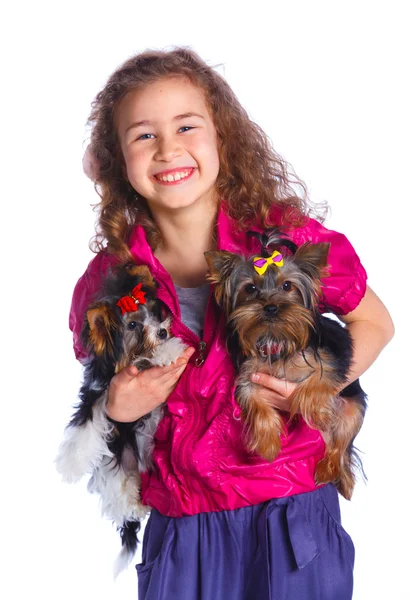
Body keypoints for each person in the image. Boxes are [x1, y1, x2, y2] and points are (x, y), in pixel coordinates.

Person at [70, 47, 394, 600]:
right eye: (143, 135)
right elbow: (97, 395)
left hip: (291, 518)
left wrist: (315, 389)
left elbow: (375, 322)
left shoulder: (289, 239)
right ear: (117, 158)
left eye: (186, 126)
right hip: (182, 531)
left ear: (221, 135)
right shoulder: (108, 280)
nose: (168, 148)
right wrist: (118, 408)